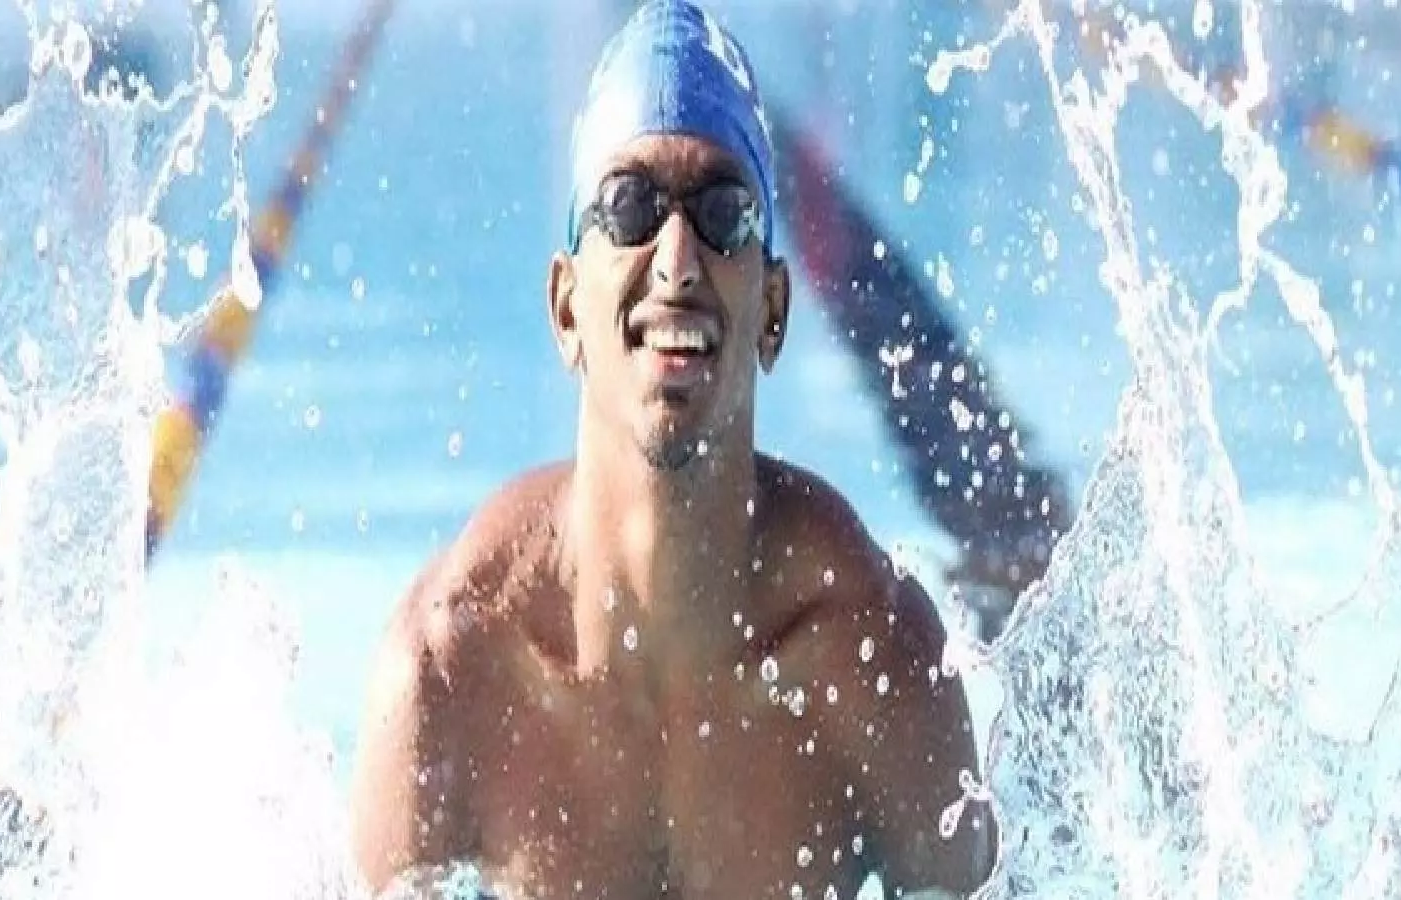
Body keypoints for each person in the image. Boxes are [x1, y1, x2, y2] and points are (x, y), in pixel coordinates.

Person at [347, 2, 997, 898]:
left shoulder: (872, 659)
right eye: (631, 205)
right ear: (566, 309)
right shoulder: (450, 674)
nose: (679, 257)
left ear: (774, 311)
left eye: (725, 212)